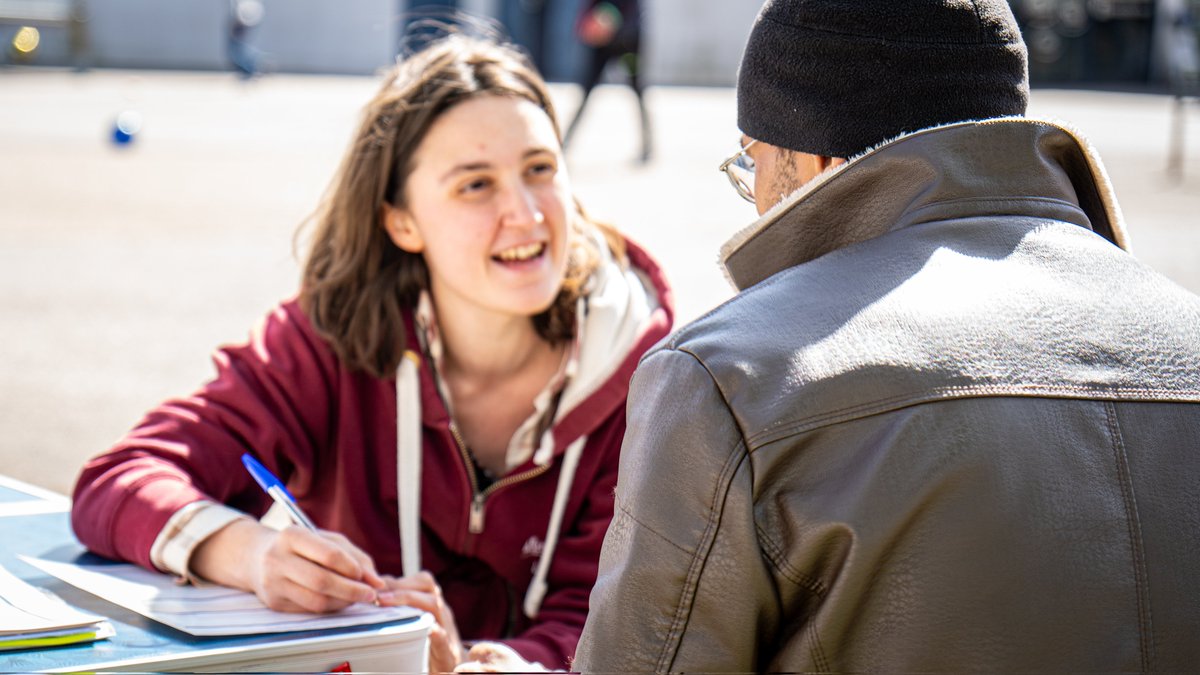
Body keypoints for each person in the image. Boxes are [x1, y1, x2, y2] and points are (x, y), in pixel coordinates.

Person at [574, 0, 1200, 671]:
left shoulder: (730, 377)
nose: (753, 193)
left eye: (751, 165)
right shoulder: (1185, 336)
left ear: (812, 161)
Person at [71, 32, 673, 673]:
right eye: (475, 185)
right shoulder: (330, 339)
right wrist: (249, 553)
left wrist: (480, 665)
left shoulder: (649, 374)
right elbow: (118, 480)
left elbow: (621, 621)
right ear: (401, 222)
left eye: (540, 169)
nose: (524, 214)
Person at [563, 0, 652, 163]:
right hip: (601, 43)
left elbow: (633, 13)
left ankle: (647, 146)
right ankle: (565, 143)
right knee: (586, 90)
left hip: (628, 44)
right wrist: (586, 24)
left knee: (638, 91)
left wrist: (612, 23)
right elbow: (588, 8)